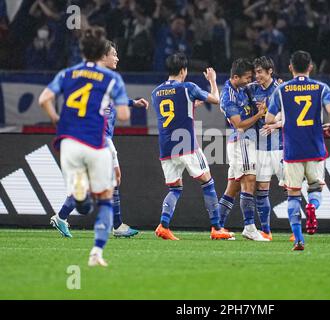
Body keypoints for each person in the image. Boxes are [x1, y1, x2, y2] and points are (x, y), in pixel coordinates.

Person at [39, 27, 130, 266]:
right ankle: (96, 253)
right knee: (106, 197)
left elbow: (44, 99)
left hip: (69, 142)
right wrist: (121, 107)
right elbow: (122, 115)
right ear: (102, 53)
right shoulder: (112, 79)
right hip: (96, 142)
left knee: (84, 188)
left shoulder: (67, 74)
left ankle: (78, 197)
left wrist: (56, 119)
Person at [50, 40, 149, 238]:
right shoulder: (100, 78)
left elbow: (108, 103)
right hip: (98, 137)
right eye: (114, 54)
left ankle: (62, 216)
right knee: (114, 177)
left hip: (96, 137)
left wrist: (132, 102)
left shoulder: (103, 79)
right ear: (103, 56)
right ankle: (117, 225)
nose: (117, 58)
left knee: (106, 179)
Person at [151, 53, 234, 241]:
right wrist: (212, 81)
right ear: (183, 71)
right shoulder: (189, 87)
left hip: (166, 147)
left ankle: (163, 226)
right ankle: (217, 227)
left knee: (175, 189)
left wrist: (192, 103)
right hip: (186, 145)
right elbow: (216, 99)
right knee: (207, 182)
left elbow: (174, 110)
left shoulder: (156, 92)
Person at [266, 50, 330, 250]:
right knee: (315, 188)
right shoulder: (320, 88)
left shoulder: (281, 90)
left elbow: (269, 120)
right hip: (315, 148)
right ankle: (312, 207)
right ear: (310, 67)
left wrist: (284, 120)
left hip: (292, 151)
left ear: (290, 67)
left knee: (293, 195)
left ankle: (298, 239)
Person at [218, 58, 268, 241]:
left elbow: (258, 84)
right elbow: (239, 125)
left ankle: (217, 226)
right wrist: (259, 115)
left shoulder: (241, 88)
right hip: (242, 141)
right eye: (247, 77)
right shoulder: (228, 96)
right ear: (236, 77)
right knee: (249, 179)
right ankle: (249, 226)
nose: (250, 80)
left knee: (233, 186)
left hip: (245, 142)